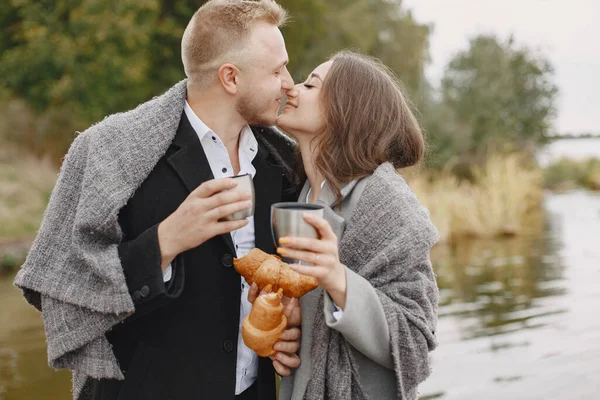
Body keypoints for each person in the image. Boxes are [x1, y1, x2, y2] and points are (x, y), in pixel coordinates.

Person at [14, 1, 304, 399]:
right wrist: (165, 241)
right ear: (230, 77)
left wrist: (290, 326)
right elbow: (65, 288)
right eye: (276, 70)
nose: (289, 82)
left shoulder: (282, 164)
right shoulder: (113, 155)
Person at [268, 51, 440, 399]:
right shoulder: (298, 195)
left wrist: (338, 278)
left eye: (310, 84)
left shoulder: (384, 201)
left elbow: (415, 343)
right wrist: (290, 331)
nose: (292, 88)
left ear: (345, 110)